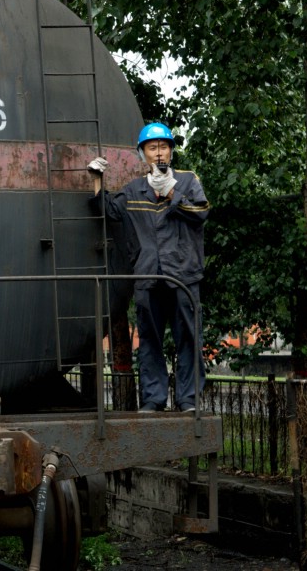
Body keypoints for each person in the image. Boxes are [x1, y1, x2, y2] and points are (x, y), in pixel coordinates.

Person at [87, 122, 210, 412]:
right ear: (143, 154)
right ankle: (153, 399)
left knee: (189, 338)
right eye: (152, 148)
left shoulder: (188, 180)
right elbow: (107, 210)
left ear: (171, 151)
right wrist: (96, 179)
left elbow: (201, 212)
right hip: (147, 276)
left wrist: (172, 193)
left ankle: (189, 400)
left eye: (163, 147)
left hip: (183, 276)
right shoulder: (134, 190)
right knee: (149, 340)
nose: (159, 153)